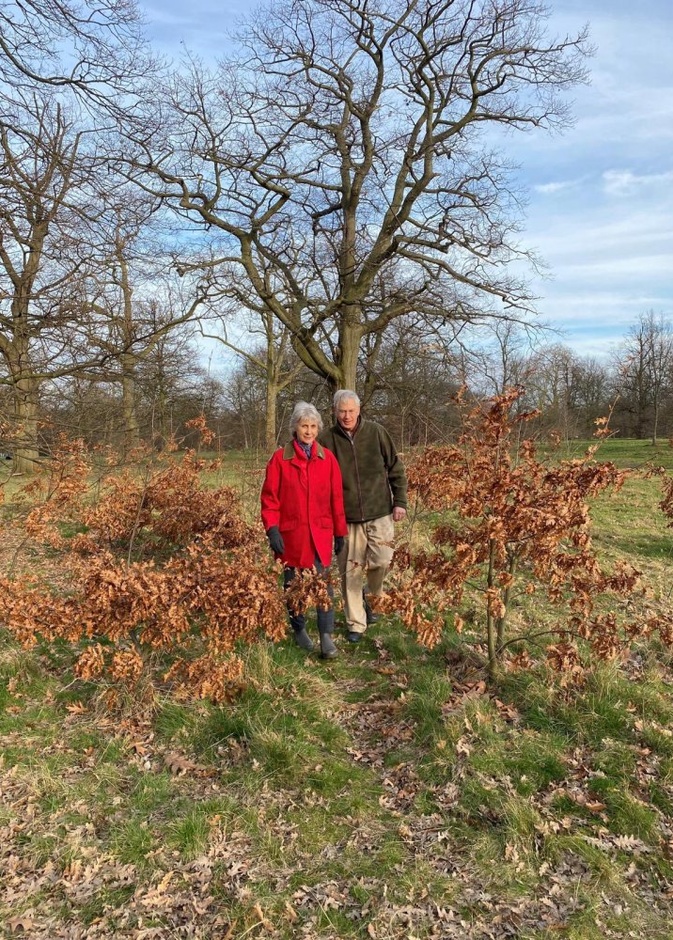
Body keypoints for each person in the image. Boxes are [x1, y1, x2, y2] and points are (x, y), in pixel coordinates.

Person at [319, 389, 407, 642]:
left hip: (380, 510)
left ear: (359, 410)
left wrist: (399, 501)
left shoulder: (376, 432)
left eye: (351, 411)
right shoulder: (326, 439)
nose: (346, 416)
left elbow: (395, 468)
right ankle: (356, 623)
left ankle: (372, 594)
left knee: (383, 560)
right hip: (346, 518)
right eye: (342, 411)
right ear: (335, 412)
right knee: (351, 572)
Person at [261, 401, 347, 659]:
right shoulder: (280, 459)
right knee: (294, 586)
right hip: (291, 536)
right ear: (295, 428)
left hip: (319, 534)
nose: (308, 431)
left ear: (318, 428)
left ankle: (326, 637)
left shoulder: (327, 458)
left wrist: (340, 532)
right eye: (304, 426)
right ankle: (299, 629)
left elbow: (336, 499)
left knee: (323, 587)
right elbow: (269, 499)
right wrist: (272, 529)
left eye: (312, 426)